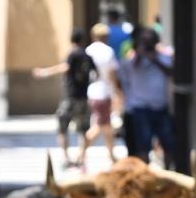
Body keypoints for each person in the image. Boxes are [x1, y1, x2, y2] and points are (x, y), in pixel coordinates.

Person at [33, 28, 97, 170]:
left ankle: (67, 158)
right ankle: (82, 157)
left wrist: (45, 72)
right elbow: (95, 74)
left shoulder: (73, 54)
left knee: (62, 127)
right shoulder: (88, 56)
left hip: (70, 97)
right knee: (83, 130)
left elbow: (65, 67)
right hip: (83, 97)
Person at [119, 26, 177, 165]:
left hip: (161, 107)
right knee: (143, 147)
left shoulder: (164, 58)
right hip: (140, 108)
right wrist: (140, 54)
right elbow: (125, 76)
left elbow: (170, 72)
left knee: (168, 144)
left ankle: (168, 171)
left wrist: (154, 59)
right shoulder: (131, 62)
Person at [83, 22, 120, 164]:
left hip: (91, 91)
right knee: (100, 125)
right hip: (104, 92)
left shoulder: (88, 50)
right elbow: (112, 74)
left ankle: (111, 155)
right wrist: (116, 92)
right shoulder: (108, 51)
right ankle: (81, 153)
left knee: (107, 125)